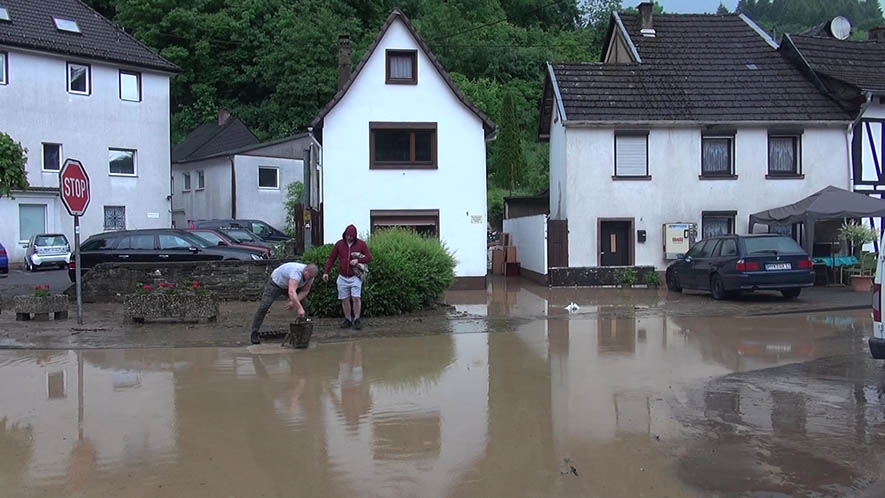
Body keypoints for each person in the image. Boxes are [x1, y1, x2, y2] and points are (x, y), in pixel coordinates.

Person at [250, 262, 318, 344]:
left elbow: (305, 291)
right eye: (309, 276)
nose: (309, 279)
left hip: (292, 286)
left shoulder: (311, 276)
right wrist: (298, 307)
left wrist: (295, 302)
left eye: (311, 277)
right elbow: (292, 291)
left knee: (305, 306)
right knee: (264, 307)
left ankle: (301, 333)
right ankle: (254, 332)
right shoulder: (296, 272)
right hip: (276, 284)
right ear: (305, 270)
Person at [323, 224, 371, 330]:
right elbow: (331, 258)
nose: (349, 238)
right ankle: (348, 319)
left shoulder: (361, 244)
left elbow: (368, 258)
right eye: (347, 236)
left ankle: (357, 319)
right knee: (344, 299)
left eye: (351, 236)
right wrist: (326, 272)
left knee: (356, 297)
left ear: (355, 236)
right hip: (342, 276)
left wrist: (358, 260)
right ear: (345, 234)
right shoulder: (339, 245)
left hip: (355, 277)